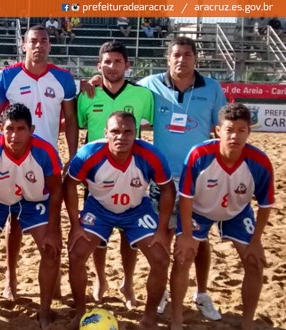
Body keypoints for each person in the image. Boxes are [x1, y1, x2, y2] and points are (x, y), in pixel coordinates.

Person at [85, 37, 228, 318]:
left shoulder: (211, 88)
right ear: (167, 58)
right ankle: (161, 291)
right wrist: (95, 79)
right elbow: (118, 84)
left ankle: (201, 293)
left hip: (196, 176)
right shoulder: (151, 86)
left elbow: (221, 128)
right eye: (176, 54)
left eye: (187, 54)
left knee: (198, 238)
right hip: (158, 178)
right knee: (159, 235)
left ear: (195, 58)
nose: (181, 60)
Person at [0, 25, 77, 300]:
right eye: (33, 41)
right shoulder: (7, 76)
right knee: (13, 221)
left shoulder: (63, 78)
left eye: (44, 41)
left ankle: (57, 278)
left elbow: (71, 120)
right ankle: (10, 279)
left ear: (50, 46)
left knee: (54, 217)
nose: (39, 45)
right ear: (23, 45)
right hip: (12, 157)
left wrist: (72, 155)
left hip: (47, 162)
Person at [64, 111, 174, 330]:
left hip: (136, 210)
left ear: (136, 134)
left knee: (161, 259)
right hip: (100, 209)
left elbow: (168, 188)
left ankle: (149, 318)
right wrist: (75, 225)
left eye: (127, 132)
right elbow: (68, 184)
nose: (121, 137)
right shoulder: (89, 153)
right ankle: (80, 313)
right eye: (115, 131)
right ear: (106, 133)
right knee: (76, 254)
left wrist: (162, 229)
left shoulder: (150, 155)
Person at [170, 103, 274, 330]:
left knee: (255, 262)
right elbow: (186, 197)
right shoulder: (200, 154)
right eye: (229, 129)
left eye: (241, 130)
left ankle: (247, 323)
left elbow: (266, 205)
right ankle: (177, 319)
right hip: (198, 209)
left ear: (249, 131)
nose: (235, 135)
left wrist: (256, 242)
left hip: (237, 212)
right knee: (183, 256)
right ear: (218, 130)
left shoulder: (260, 162)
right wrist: (187, 235)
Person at [0, 103, 63, 327]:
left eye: (20, 129)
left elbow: (56, 189)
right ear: (0, 128)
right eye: (9, 129)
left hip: (33, 200)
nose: (14, 135)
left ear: (31, 129)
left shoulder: (45, 152)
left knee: (51, 248)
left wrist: (54, 230)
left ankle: (44, 311)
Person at [77, 41, 154, 308]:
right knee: (97, 232)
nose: (112, 66)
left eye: (117, 61)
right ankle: (100, 280)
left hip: (132, 170)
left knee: (128, 231)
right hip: (96, 173)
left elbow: (152, 127)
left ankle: (128, 282)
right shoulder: (87, 94)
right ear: (99, 66)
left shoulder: (143, 96)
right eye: (106, 62)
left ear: (127, 65)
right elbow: (79, 126)